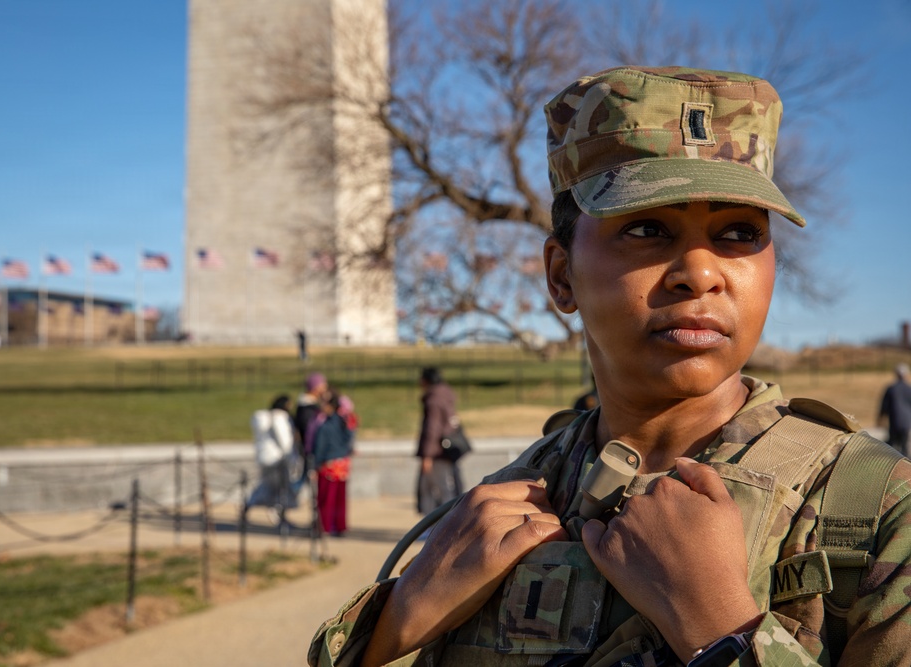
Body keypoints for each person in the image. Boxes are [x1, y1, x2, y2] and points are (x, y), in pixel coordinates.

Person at [309, 67, 911, 666]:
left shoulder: (874, 510)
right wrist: (390, 628)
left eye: (737, 232)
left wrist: (722, 625)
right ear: (560, 275)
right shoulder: (505, 504)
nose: (700, 273)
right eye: (646, 229)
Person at [415, 366, 462, 514]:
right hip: (446, 449)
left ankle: (431, 527)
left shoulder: (434, 399)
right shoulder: (445, 395)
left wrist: (427, 455)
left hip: (436, 452)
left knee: (431, 488)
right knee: (446, 487)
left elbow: (432, 429)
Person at [246, 394, 297, 527]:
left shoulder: (261, 417)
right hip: (277, 459)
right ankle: (278, 515)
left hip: (264, 457)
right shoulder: (279, 418)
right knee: (278, 488)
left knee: (266, 485)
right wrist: (290, 456)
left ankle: (248, 506)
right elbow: (284, 440)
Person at [313, 389, 354, 537]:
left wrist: (316, 464)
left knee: (326, 498)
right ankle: (340, 526)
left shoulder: (325, 426)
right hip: (342, 465)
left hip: (328, 465)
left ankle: (325, 526)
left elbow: (320, 447)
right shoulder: (344, 422)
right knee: (340, 498)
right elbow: (349, 439)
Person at [878, 363, 911, 457]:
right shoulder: (909, 389)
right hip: (906, 422)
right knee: (904, 447)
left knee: (892, 447)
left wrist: (880, 419)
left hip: (895, 421)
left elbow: (884, 406)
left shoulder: (891, 389)